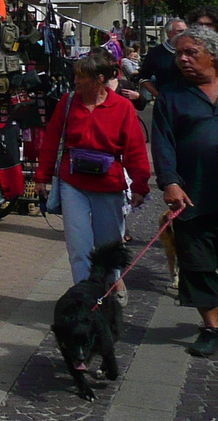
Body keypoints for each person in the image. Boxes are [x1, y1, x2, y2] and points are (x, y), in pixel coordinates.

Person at [36, 49, 152, 288]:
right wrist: (42, 177)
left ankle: (110, 292)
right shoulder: (67, 103)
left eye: (82, 77)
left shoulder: (122, 107)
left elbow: (135, 150)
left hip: (108, 184)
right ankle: (85, 296)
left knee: (109, 246)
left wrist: (140, 186)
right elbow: (51, 141)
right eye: (76, 76)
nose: (75, 81)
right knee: (78, 246)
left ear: (100, 79)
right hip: (73, 182)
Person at [151, 25, 218, 357]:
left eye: (191, 52)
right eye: (179, 53)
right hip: (193, 194)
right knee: (197, 263)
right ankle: (211, 327)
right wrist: (170, 181)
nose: (183, 59)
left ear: (212, 55)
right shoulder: (172, 95)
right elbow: (162, 142)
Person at [141, 19, 187, 99]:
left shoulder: (194, 52)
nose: (184, 34)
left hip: (191, 100)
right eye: (180, 31)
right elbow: (144, 78)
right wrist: (159, 96)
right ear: (169, 33)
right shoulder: (155, 53)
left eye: (186, 31)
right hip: (167, 101)